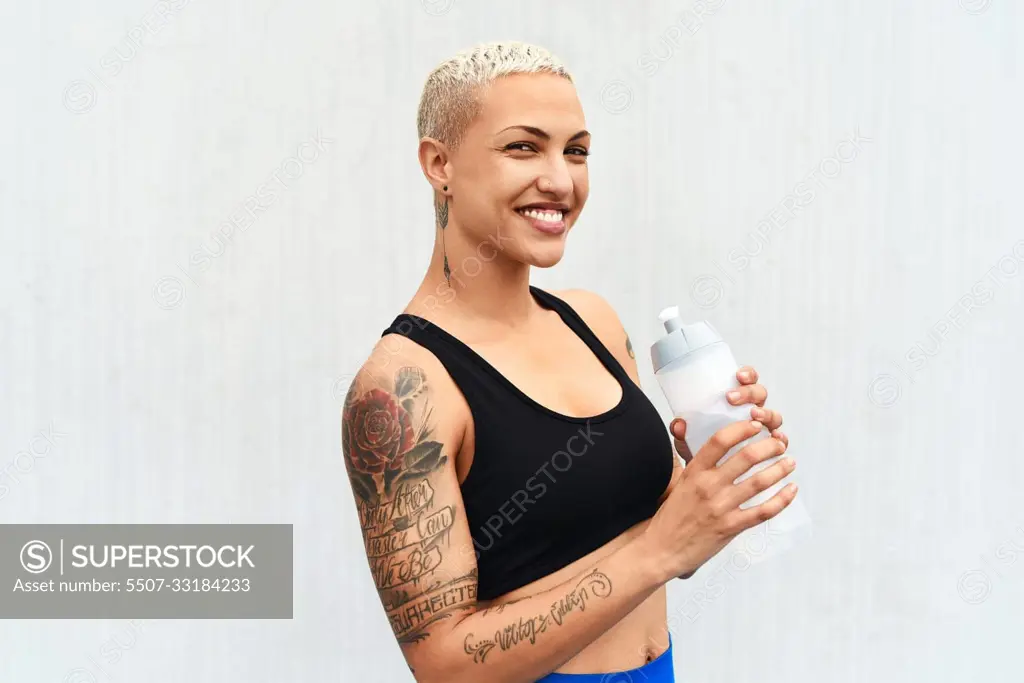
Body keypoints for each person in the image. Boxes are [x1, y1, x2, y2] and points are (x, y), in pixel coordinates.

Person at [341, 41, 798, 683]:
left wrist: (712, 479)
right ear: (439, 162)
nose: (561, 180)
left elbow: (673, 546)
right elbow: (444, 667)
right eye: (523, 147)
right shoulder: (403, 387)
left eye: (576, 150)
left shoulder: (594, 324)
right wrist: (661, 551)